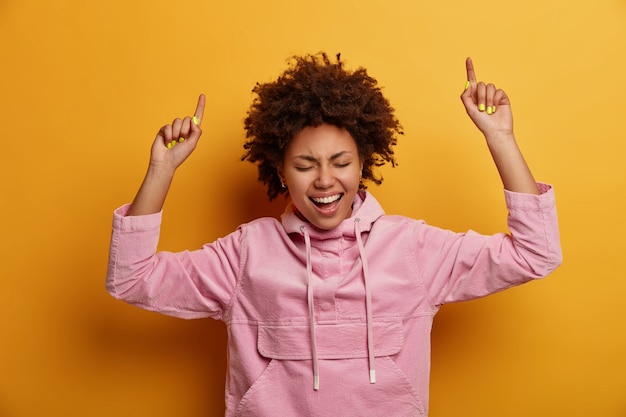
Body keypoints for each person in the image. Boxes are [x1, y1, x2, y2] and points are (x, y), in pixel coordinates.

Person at [106, 53, 562, 416]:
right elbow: (131, 278)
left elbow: (534, 253)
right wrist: (161, 170)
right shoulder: (246, 254)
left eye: (341, 163)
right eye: (305, 166)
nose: (324, 180)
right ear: (281, 172)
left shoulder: (413, 250)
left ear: (365, 164)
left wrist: (500, 138)